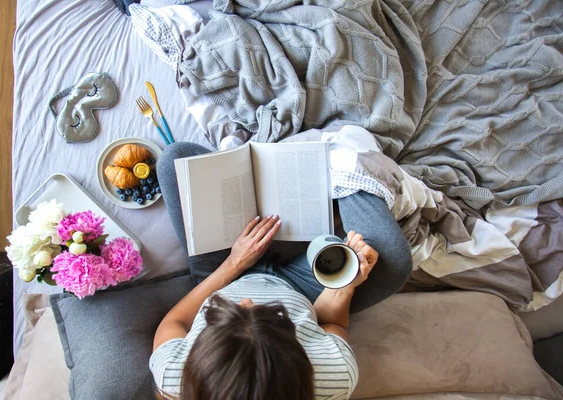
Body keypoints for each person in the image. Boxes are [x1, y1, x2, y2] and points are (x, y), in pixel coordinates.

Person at [152, 142, 412, 400]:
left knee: (175, 161)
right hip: (303, 291)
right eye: (273, 314)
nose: (246, 300)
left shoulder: (174, 377)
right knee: (392, 260)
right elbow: (329, 323)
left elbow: (175, 323)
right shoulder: (334, 378)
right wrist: (344, 284)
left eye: (222, 316)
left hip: (220, 277)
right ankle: (347, 167)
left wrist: (234, 263)